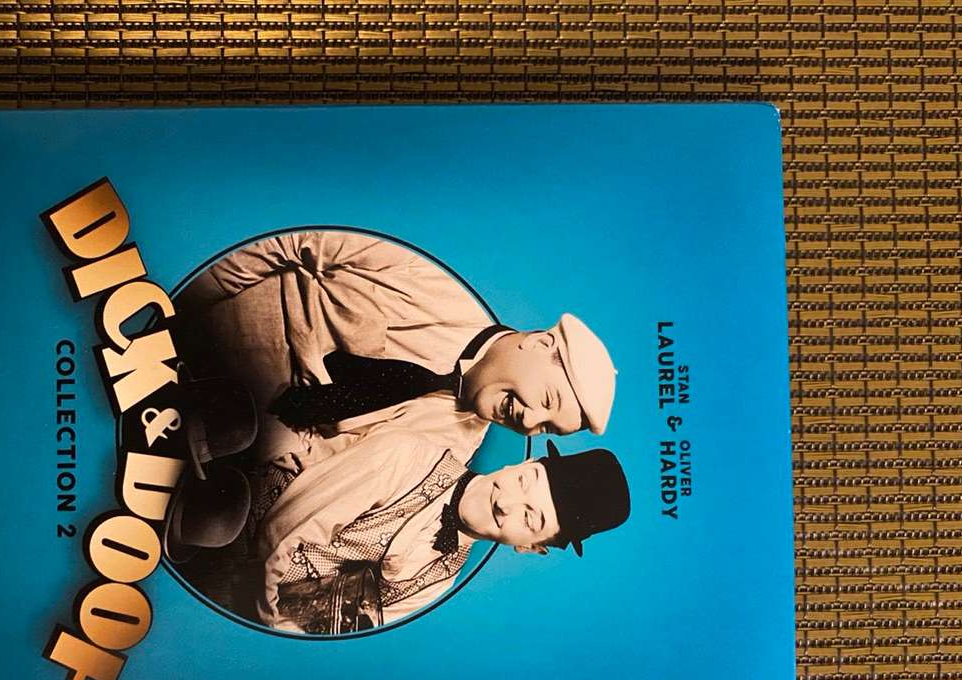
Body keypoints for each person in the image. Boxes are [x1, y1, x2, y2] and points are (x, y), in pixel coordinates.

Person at [172, 230, 618, 476]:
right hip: (206, 328)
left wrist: (283, 445)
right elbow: (287, 242)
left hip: (223, 431)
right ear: (540, 343)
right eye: (547, 401)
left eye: (546, 428)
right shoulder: (428, 274)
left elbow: (334, 461)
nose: (530, 420)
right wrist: (182, 303)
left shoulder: (450, 448)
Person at [253, 429, 631, 635]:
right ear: (523, 462)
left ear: (532, 547)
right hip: (239, 538)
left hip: (260, 613)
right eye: (524, 480)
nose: (506, 503)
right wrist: (267, 636)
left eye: (530, 519)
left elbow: (327, 630)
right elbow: (277, 533)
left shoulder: (440, 582)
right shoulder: (406, 456)